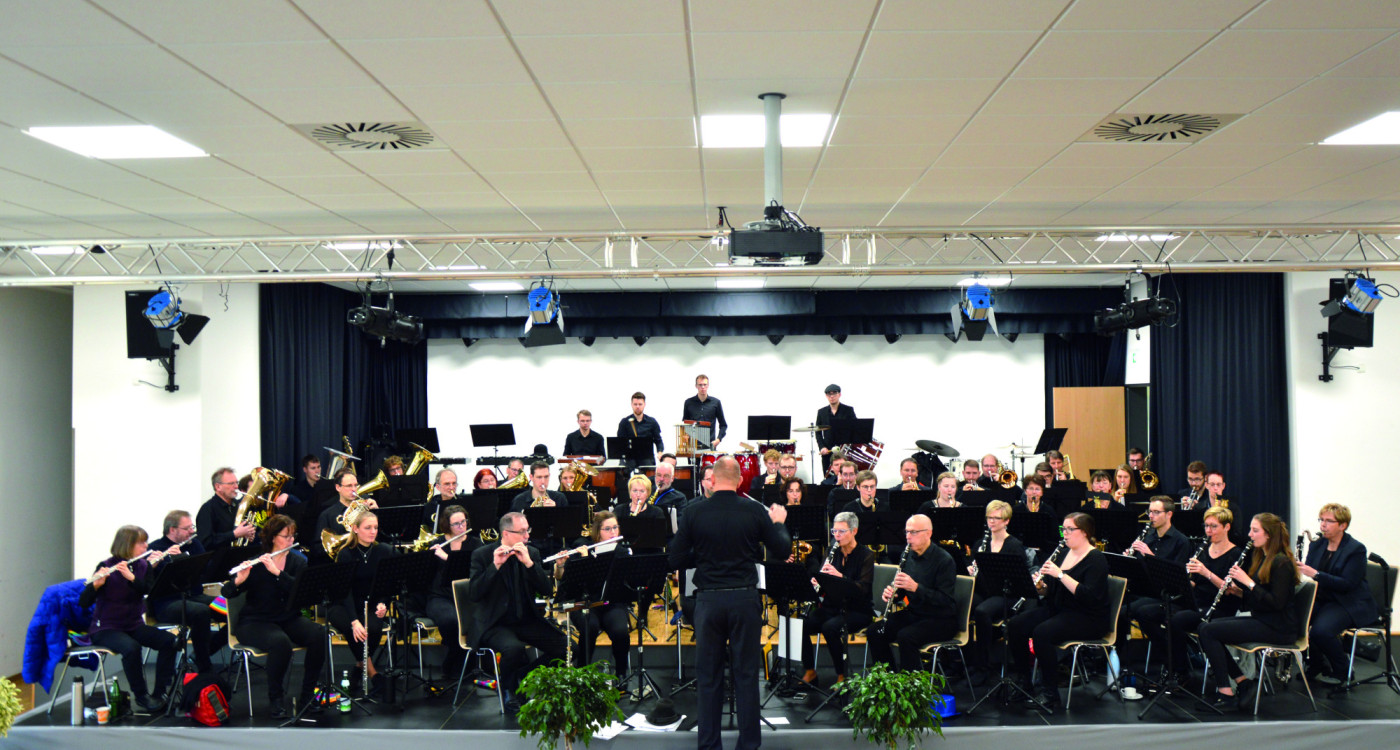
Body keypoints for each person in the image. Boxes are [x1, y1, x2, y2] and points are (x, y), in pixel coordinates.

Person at [668, 456, 790, 750]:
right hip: (744, 599)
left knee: (708, 676)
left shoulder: (695, 511)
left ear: (713, 480)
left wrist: (704, 555)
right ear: (739, 481)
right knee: (746, 674)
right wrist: (778, 524)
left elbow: (675, 558)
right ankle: (748, 745)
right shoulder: (754, 510)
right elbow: (781, 549)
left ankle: (709, 745)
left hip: (708, 601)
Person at [224, 514, 327, 718]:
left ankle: (308, 695)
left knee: (319, 634)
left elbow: (300, 592)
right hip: (255, 621)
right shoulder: (256, 561)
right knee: (280, 643)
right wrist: (238, 580)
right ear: (272, 537)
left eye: (292, 536)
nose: (290, 541)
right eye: (286, 536)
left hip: (286, 617)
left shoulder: (298, 562)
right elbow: (227, 593)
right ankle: (276, 699)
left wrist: (278, 573)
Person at [1006, 512, 1110, 711]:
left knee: (1042, 633)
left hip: (1089, 617)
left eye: (1070, 530)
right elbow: (1051, 589)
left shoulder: (1096, 559)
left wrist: (1060, 575)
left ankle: (1050, 693)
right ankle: (1024, 682)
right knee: (1016, 625)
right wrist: (1042, 587)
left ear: (1085, 533)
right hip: (1060, 609)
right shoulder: (1063, 552)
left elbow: (1089, 596)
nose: (1065, 534)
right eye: (1064, 529)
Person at [1197, 513, 1299, 710]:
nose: (1250, 534)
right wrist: (1237, 592)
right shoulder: (1262, 557)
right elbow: (1258, 599)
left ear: (1268, 534)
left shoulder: (1282, 562)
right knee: (1205, 628)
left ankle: (1226, 692)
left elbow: (1276, 603)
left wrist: (1248, 583)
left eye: (1255, 530)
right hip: (1263, 619)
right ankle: (1242, 682)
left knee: (1208, 631)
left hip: (1279, 628)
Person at [469, 512, 567, 713]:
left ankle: (524, 676)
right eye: (522, 532)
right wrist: (495, 566)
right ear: (506, 534)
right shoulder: (483, 555)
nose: (527, 536)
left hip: (525, 618)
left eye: (527, 530)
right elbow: (474, 593)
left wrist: (530, 564)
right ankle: (508, 690)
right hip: (495, 623)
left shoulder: (532, 553)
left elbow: (547, 591)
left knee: (566, 647)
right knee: (514, 649)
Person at [80, 525, 179, 714]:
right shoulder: (106, 565)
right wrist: (96, 585)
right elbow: (84, 602)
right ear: (127, 545)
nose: (146, 546)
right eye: (141, 543)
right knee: (131, 648)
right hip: (106, 628)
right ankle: (142, 697)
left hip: (132, 625)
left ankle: (160, 693)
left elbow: (148, 591)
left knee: (169, 641)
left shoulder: (143, 566)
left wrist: (132, 578)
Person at [1143, 506, 1238, 685]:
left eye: (1214, 526)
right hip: (1195, 600)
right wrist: (1182, 580)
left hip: (1218, 607)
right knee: (1146, 613)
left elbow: (1231, 590)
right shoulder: (1203, 549)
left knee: (1176, 620)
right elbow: (1194, 583)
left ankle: (1180, 671)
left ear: (1227, 527)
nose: (1208, 531)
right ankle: (1172, 663)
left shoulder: (1235, 554)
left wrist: (1206, 573)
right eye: (1206, 526)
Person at [1299, 503, 1377, 685]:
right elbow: (1310, 571)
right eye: (1321, 520)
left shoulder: (1355, 549)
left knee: (1321, 631)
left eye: (1329, 521)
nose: (1323, 525)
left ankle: (1342, 670)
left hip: (1348, 601)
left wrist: (1316, 574)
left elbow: (1347, 584)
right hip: (1325, 598)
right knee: (1295, 621)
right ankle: (1317, 664)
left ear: (1343, 525)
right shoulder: (1318, 545)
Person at [867, 513, 956, 672]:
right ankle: (889, 680)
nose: (908, 537)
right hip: (916, 613)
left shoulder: (944, 560)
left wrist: (916, 587)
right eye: (907, 532)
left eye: (913, 532)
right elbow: (902, 590)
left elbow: (946, 600)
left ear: (928, 533)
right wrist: (894, 594)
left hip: (941, 618)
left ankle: (911, 686)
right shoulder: (907, 555)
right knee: (875, 631)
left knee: (906, 636)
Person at [326, 511, 397, 697]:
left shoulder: (384, 551)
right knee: (355, 630)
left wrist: (383, 604)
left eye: (375, 527)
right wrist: (354, 621)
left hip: (371, 604)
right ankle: (373, 674)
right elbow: (345, 592)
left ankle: (360, 666)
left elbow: (387, 584)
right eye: (368, 528)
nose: (373, 532)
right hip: (343, 605)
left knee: (373, 628)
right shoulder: (345, 554)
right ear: (355, 529)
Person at [799, 511, 873, 686]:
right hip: (833, 606)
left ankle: (842, 675)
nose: (837, 536)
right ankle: (810, 671)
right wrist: (818, 581)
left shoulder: (866, 555)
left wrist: (840, 577)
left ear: (854, 531)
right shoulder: (833, 551)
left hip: (858, 609)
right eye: (834, 531)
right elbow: (826, 583)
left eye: (841, 532)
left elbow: (862, 589)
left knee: (829, 628)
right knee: (802, 624)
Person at [147, 510, 225, 673]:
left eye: (192, 527)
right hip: (168, 603)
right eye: (187, 528)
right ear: (172, 530)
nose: (192, 531)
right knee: (201, 612)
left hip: (196, 596)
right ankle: (204, 666)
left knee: (231, 609)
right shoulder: (155, 549)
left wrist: (185, 558)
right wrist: (167, 561)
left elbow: (206, 570)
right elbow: (153, 583)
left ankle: (202, 653)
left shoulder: (194, 544)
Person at [560, 512, 631, 675]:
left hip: (610, 603)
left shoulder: (621, 551)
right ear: (598, 532)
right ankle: (582, 673)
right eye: (608, 529)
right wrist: (573, 562)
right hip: (585, 603)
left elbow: (625, 585)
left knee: (621, 631)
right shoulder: (582, 547)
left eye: (615, 527)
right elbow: (566, 582)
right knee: (589, 627)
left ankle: (621, 675)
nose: (613, 532)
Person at [967, 500, 1029, 684]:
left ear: (1006, 521)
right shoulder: (981, 543)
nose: (991, 522)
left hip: (1008, 595)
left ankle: (984, 666)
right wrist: (971, 571)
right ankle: (967, 659)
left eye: (996, 518)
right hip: (986, 592)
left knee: (982, 611)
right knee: (961, 605)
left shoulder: (1014, 546)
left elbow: (1019, 579)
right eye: (989, 517)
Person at [424, 505, 481, 680]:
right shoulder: (437, 544)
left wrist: (446, 558)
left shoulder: (475, 544)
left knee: (476, 620)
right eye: (456, 524)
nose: (461, 527)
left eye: (463, 522)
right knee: (450, 620)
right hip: (441, 596)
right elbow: (426, 575)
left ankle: (457, 662)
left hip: (468, 596)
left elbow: (471, 572)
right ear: (447, 525)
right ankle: (456, 659)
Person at [315, 468, 378, 555]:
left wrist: (376, 512)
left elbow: (380, 536)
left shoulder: (367, 509)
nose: (353, 489)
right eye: (349, 486)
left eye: (355, 485)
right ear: (338, 487)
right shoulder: (327, 515)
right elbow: (318, 548)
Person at [197, 466, 256, 551]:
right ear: (218, 487)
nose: (236, 486)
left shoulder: (238, 505)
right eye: (231, 483)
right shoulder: (207, 509)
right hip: (219, 561)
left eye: (236, 483)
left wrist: (247, 533)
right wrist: (234, 534)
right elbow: (205, 542)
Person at [815, 384, 856, 473]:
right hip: (828, 452)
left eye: (834, 394)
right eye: (829, 394)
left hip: (845, 451)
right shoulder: (821, 412)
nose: (832, 396)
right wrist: (822, 447)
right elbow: (818, 432)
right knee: (828, 479)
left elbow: (855, 429)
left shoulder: (848, 410)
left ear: (839, 394)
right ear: (826, 396)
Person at [682, 374, 728, 449]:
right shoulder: (688, 402)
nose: (703, 387)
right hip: (693, 445)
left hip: (710, 445)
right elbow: (685, 423)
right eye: (700, 385)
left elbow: (723, 425)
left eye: (705, 385)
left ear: (708, 385)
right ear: (696, 386)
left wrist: (718, 440)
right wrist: (685, 435)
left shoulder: (716, 402)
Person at [617, 391, 664, 460]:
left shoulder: (652, 422)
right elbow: (620, 442)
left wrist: (660, 452)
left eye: (640, 404)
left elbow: (658, 440)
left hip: (647, 458)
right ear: (631, 405)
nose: (637, 407)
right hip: (629, 458)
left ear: (644, 404)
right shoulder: (624, 422)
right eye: (635, 404)